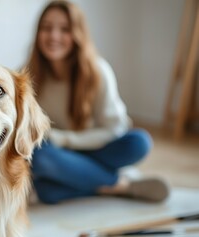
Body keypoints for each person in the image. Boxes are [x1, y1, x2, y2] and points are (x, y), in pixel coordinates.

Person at [26, 0, 169, 204]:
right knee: (40, 158)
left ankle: (78, 178)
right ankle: (121, 185)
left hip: (97, 148)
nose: (54, 36)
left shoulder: (98, 71)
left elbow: (115, 129)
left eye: (64, 29)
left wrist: (66, 139)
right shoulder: (29, 75)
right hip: (58, 155)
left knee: (139, 142)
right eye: (46, 28)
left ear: (77, 33)